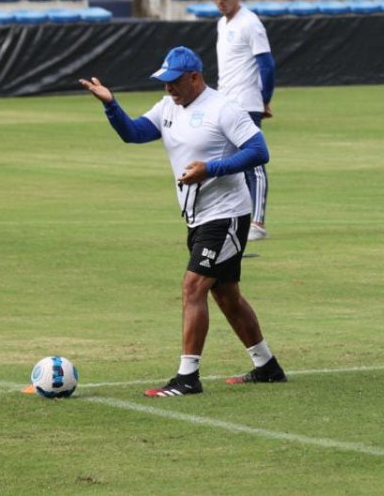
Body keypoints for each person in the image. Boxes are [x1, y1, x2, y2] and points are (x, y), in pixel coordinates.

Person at [79, 46, 287, 397]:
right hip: (198, 217)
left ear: (194, 77)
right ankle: (267, 366)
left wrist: (211, 169)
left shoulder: (224, 108)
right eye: (164, 83)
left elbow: (258, 151)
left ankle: (188, 377)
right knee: (227, 296)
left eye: (174, 82)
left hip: (227, 215)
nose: (168, 90)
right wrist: (111, 105)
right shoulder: (167, 109)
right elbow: (133, 133)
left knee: (193, 287)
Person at [211, 0, 274, 242]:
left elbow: (266, 64)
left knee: (253, 162)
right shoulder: (222, 24)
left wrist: (264, 98)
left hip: (246, 102)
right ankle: (234, 218)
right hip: (226, 102)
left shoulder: (250, 23)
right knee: (228, 162)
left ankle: (258, 222)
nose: (220, 0)